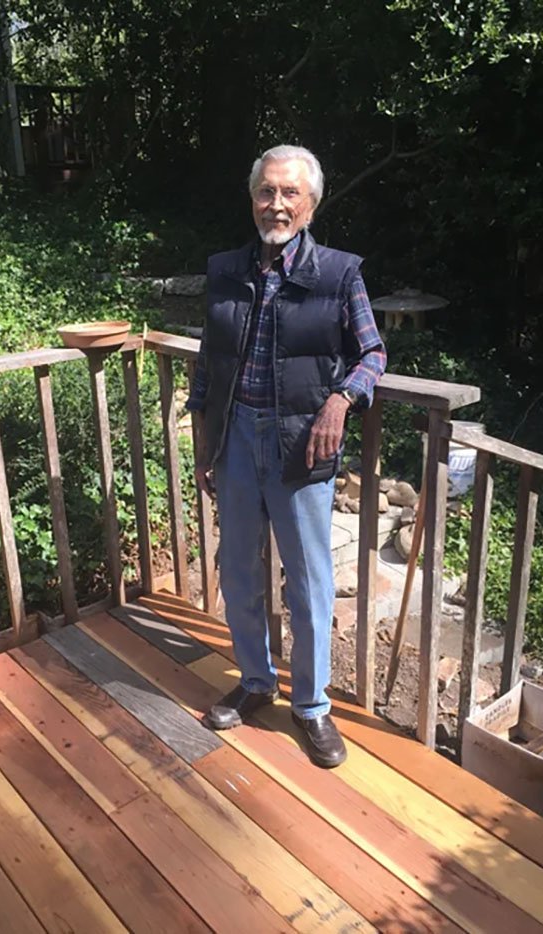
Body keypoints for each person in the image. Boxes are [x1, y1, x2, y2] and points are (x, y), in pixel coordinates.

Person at [187, 144, 386, 768]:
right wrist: (205, 442)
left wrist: (341, 401)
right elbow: (209, 361)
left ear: (311, 205)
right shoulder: (226, 270)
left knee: (309, 580)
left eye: (289, 193)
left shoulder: (338, 274)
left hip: (301, 443)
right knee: (239, 571)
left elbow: (373, 353)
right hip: (237, 438)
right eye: (266, 191)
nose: (276, 204)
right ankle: (255, 681)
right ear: (253, 199)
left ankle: (311, 705)